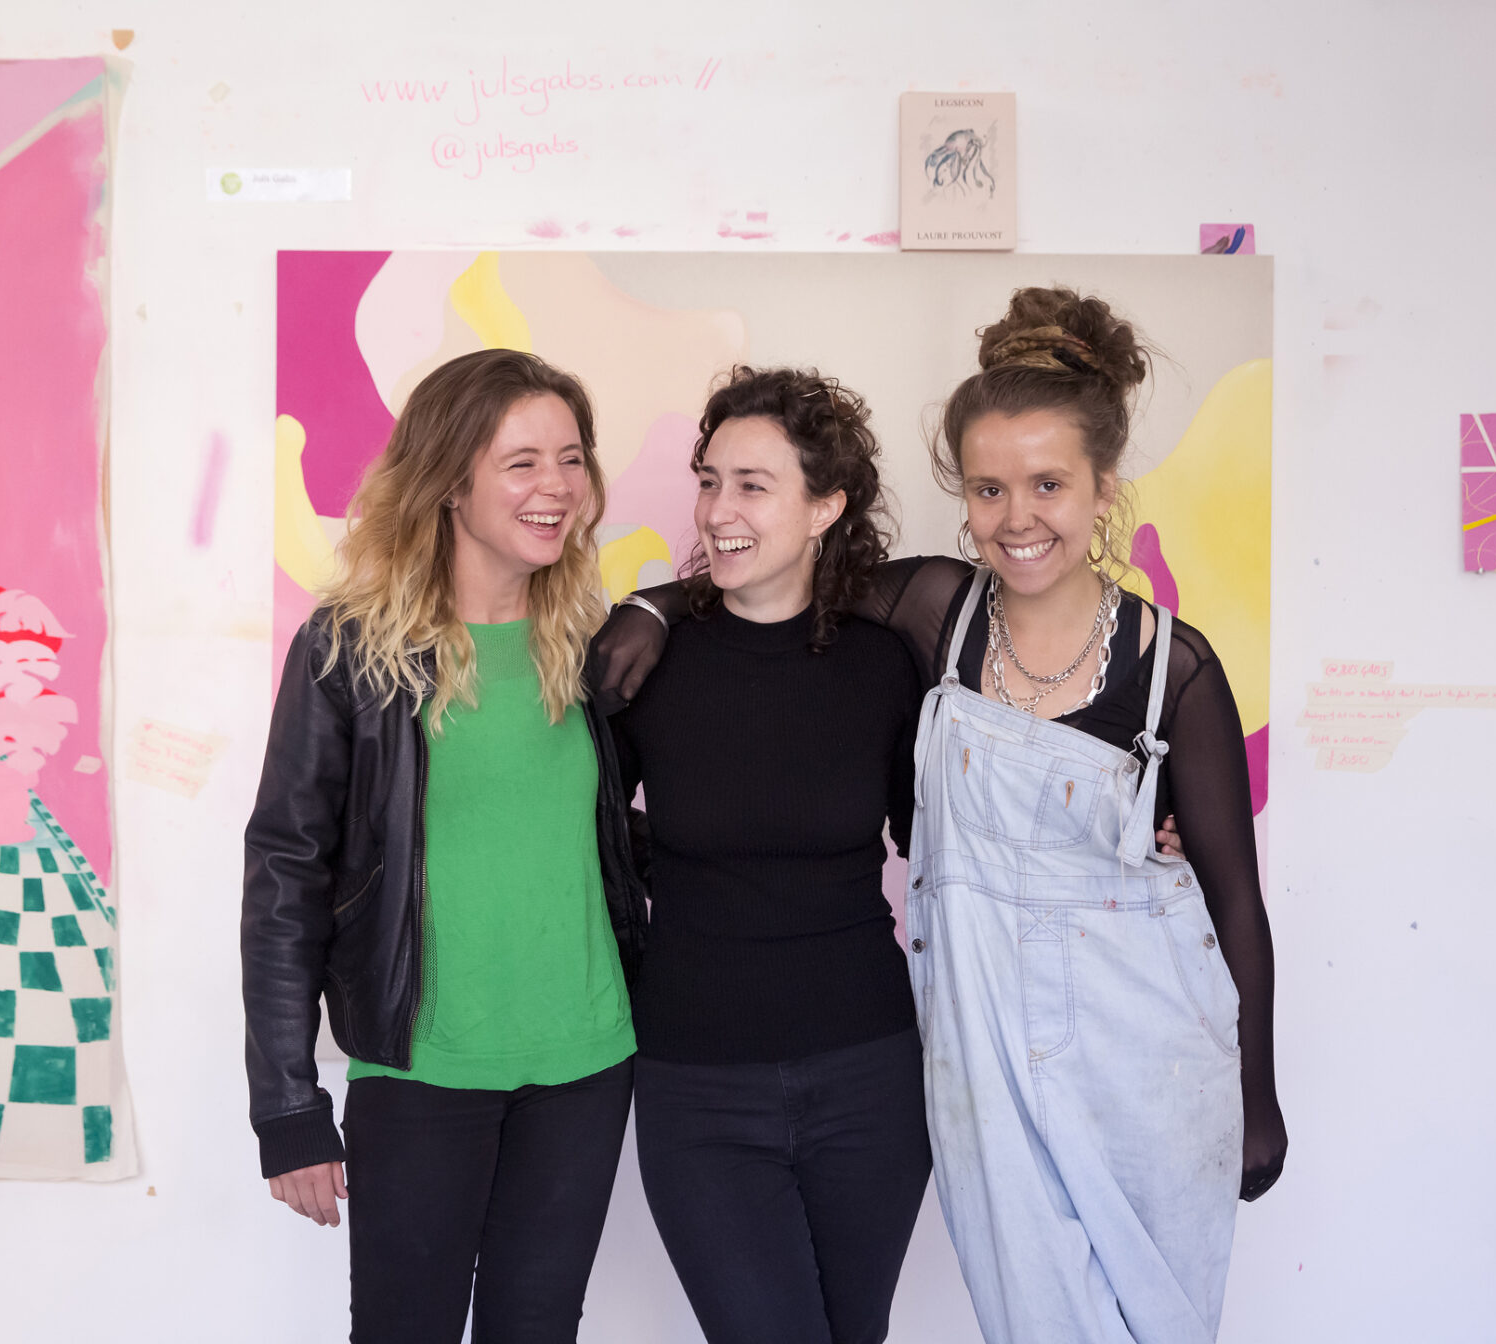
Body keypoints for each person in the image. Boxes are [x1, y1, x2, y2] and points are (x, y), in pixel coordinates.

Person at [601, 287, 1283, 1344]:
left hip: (1139, 1051)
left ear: (1105, 489)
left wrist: (1258, 1094)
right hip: (968, 1047)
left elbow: (1236, 901)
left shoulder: (1171, 672)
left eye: (1050, 484)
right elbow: (768, 584)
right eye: (989, 489)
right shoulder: (932, 614)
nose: (1018, 518)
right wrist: (653, 601)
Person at [241, 349, 648, 1344]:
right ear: (449, 482)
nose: (556, 486)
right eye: (521, 462)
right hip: (422, 1073)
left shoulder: (594, 646)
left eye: (570, 459)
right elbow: (285, 874)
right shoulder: (349, 650)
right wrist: (287, 1107)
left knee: (537, 1328)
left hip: (587, 1068)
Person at [607, 366, 932, 1344]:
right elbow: (579, 829)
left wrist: (1149, 825)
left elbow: (943, 839)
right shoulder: (647, 657)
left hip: (871, 1078)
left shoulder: (887, 666)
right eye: (710, 481)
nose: (717, 510)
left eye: (753, 485)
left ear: (825, 505)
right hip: (697, 1085)